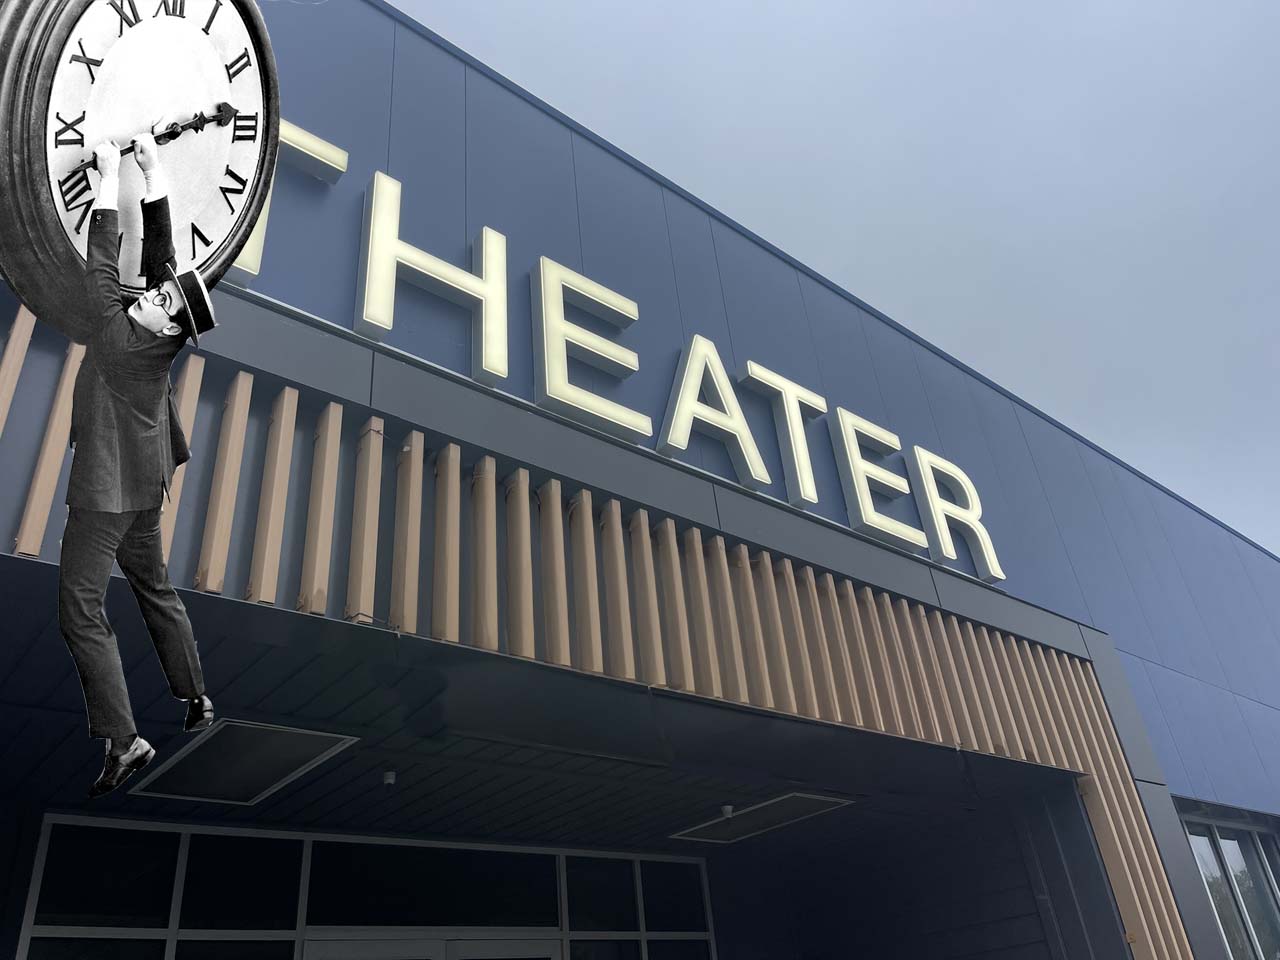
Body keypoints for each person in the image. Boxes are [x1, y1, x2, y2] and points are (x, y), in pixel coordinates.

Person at [60, 128, 218, 799]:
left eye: (161, 304)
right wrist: (152, 174)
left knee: (79, 607)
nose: (151, 297)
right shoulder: (160, 334)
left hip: (108, 496)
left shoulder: (125, 341)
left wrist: (102, 179)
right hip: (145, 488)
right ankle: (196, 697)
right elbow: (161, 259)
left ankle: (126, 741)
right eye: (158, 296)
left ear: (170, 328)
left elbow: (101, 270)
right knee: (154, 587)